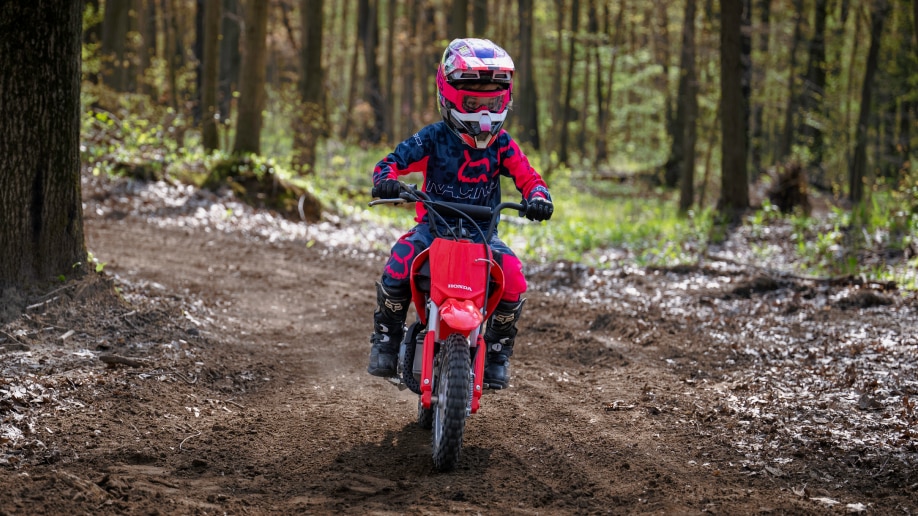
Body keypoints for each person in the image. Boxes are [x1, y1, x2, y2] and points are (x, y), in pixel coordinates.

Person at [367, 38, 553, 389]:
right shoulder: (434, 139)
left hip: (482, 237)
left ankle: (497, 351)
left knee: (512, 276)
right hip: (433, 230)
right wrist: (386, 181)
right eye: (473, 103)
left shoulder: (503, 144)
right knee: (398, 263)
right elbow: (391, 163)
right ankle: (386, 340)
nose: (484, 114)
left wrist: (539, 197)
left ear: (505, 100)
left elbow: (529, 178)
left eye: (493, 103)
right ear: (449, 95)